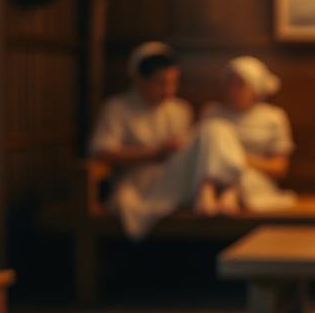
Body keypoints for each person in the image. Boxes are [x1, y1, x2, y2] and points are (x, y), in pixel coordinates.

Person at [90, 42, 248, 240]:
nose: (169, 90)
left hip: (177, 177)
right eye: (161, 83)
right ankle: (221, 191)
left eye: (174, 83)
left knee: (216, 125)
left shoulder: (180, 109)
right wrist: (154, 152)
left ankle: (218, 191)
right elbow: (101, 151)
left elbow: (188, 151)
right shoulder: (117, 108)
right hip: (141, 184)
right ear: (140, 80)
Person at [201, 56, 297, 211]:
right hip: (214, 181)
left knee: (238, 173)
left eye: (240, 84)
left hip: (252, 180)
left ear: (255, 87)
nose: (234, 90)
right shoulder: (213, 114)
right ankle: (207, 194)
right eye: (230, 84)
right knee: (216, 128)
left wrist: (238, 160)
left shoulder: (274, 117)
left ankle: (230, 195)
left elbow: (280, 168)